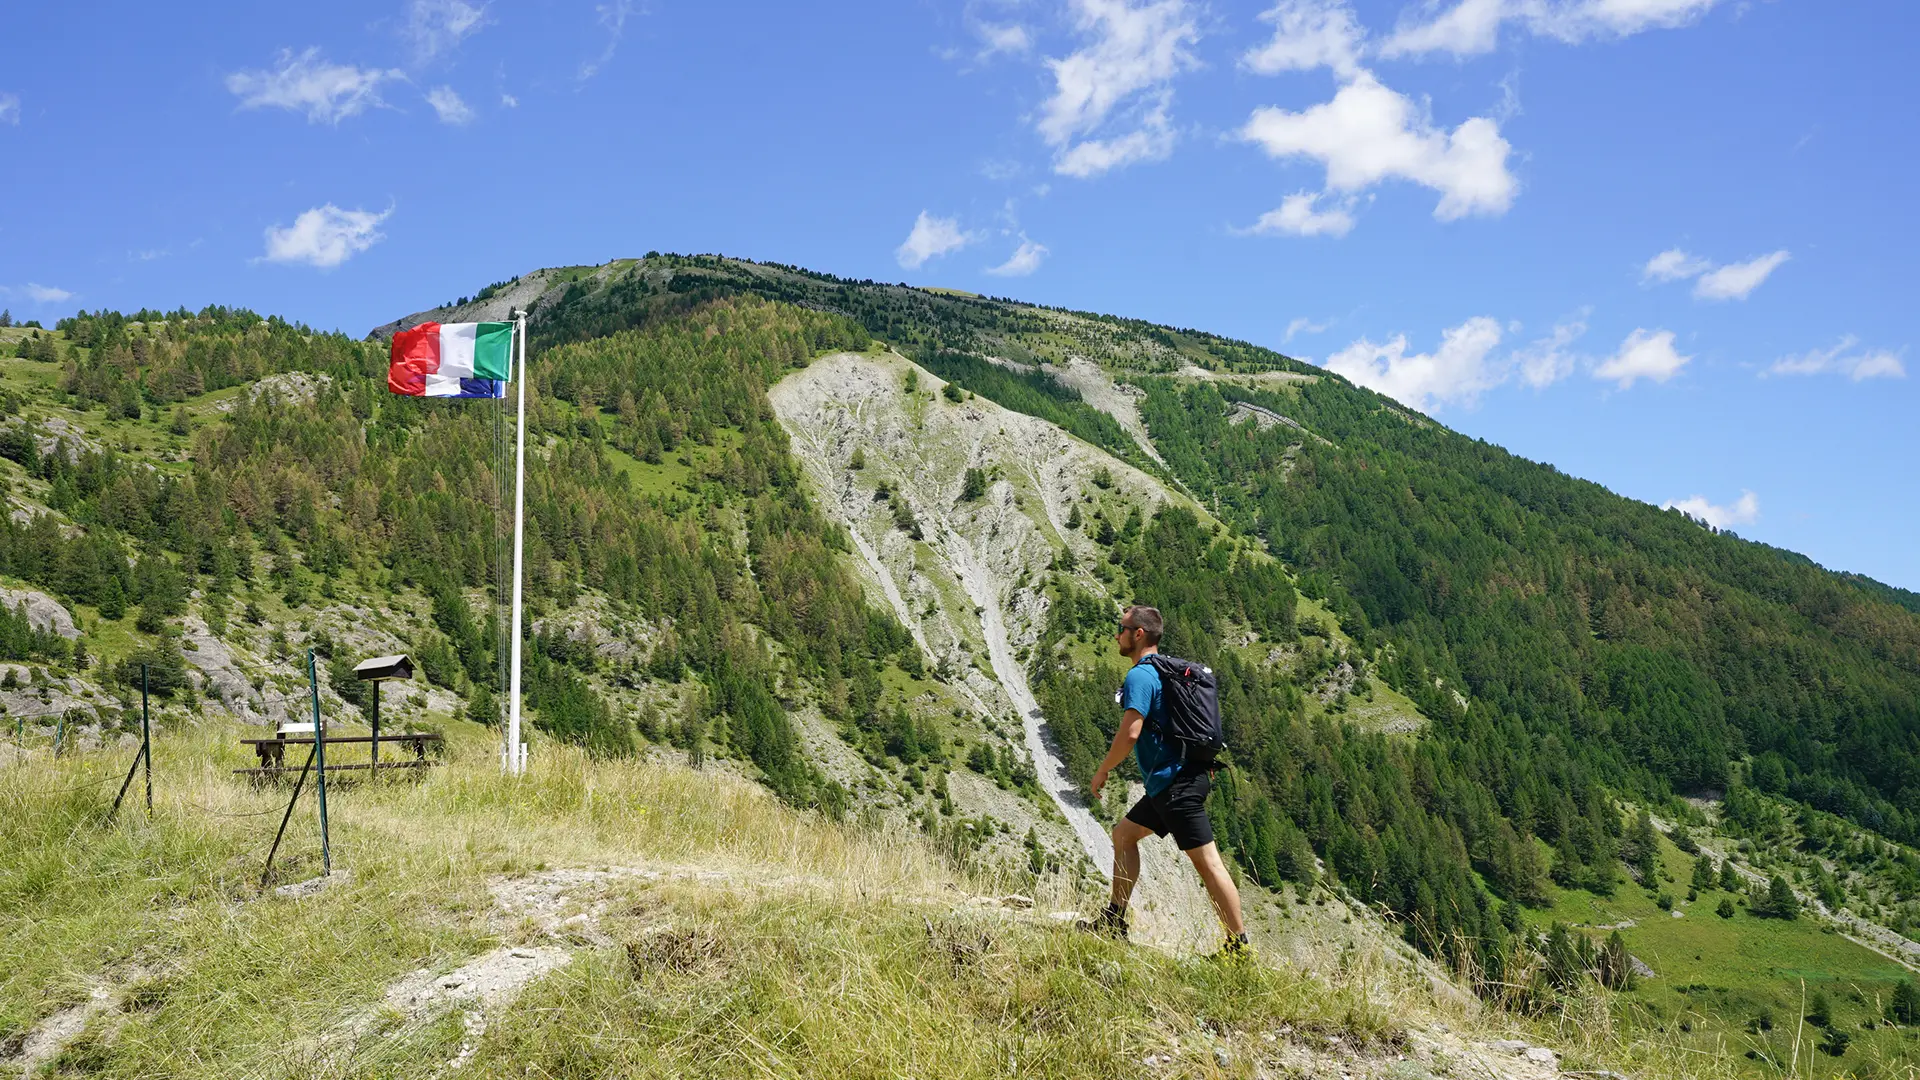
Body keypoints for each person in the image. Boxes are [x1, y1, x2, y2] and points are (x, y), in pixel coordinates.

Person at [1085, 605, 1251, 958]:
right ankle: (1114, 920)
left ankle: (1238, 950)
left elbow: (1130, 733)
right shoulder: (1165, 672)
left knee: (1209, 864)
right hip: (1174, 781)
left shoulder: (1140, 677)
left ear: (1139, 634)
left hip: (1176, 785)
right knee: (1124, 835)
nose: (1117, 634)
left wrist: (1103, 769)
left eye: (1122, 628)